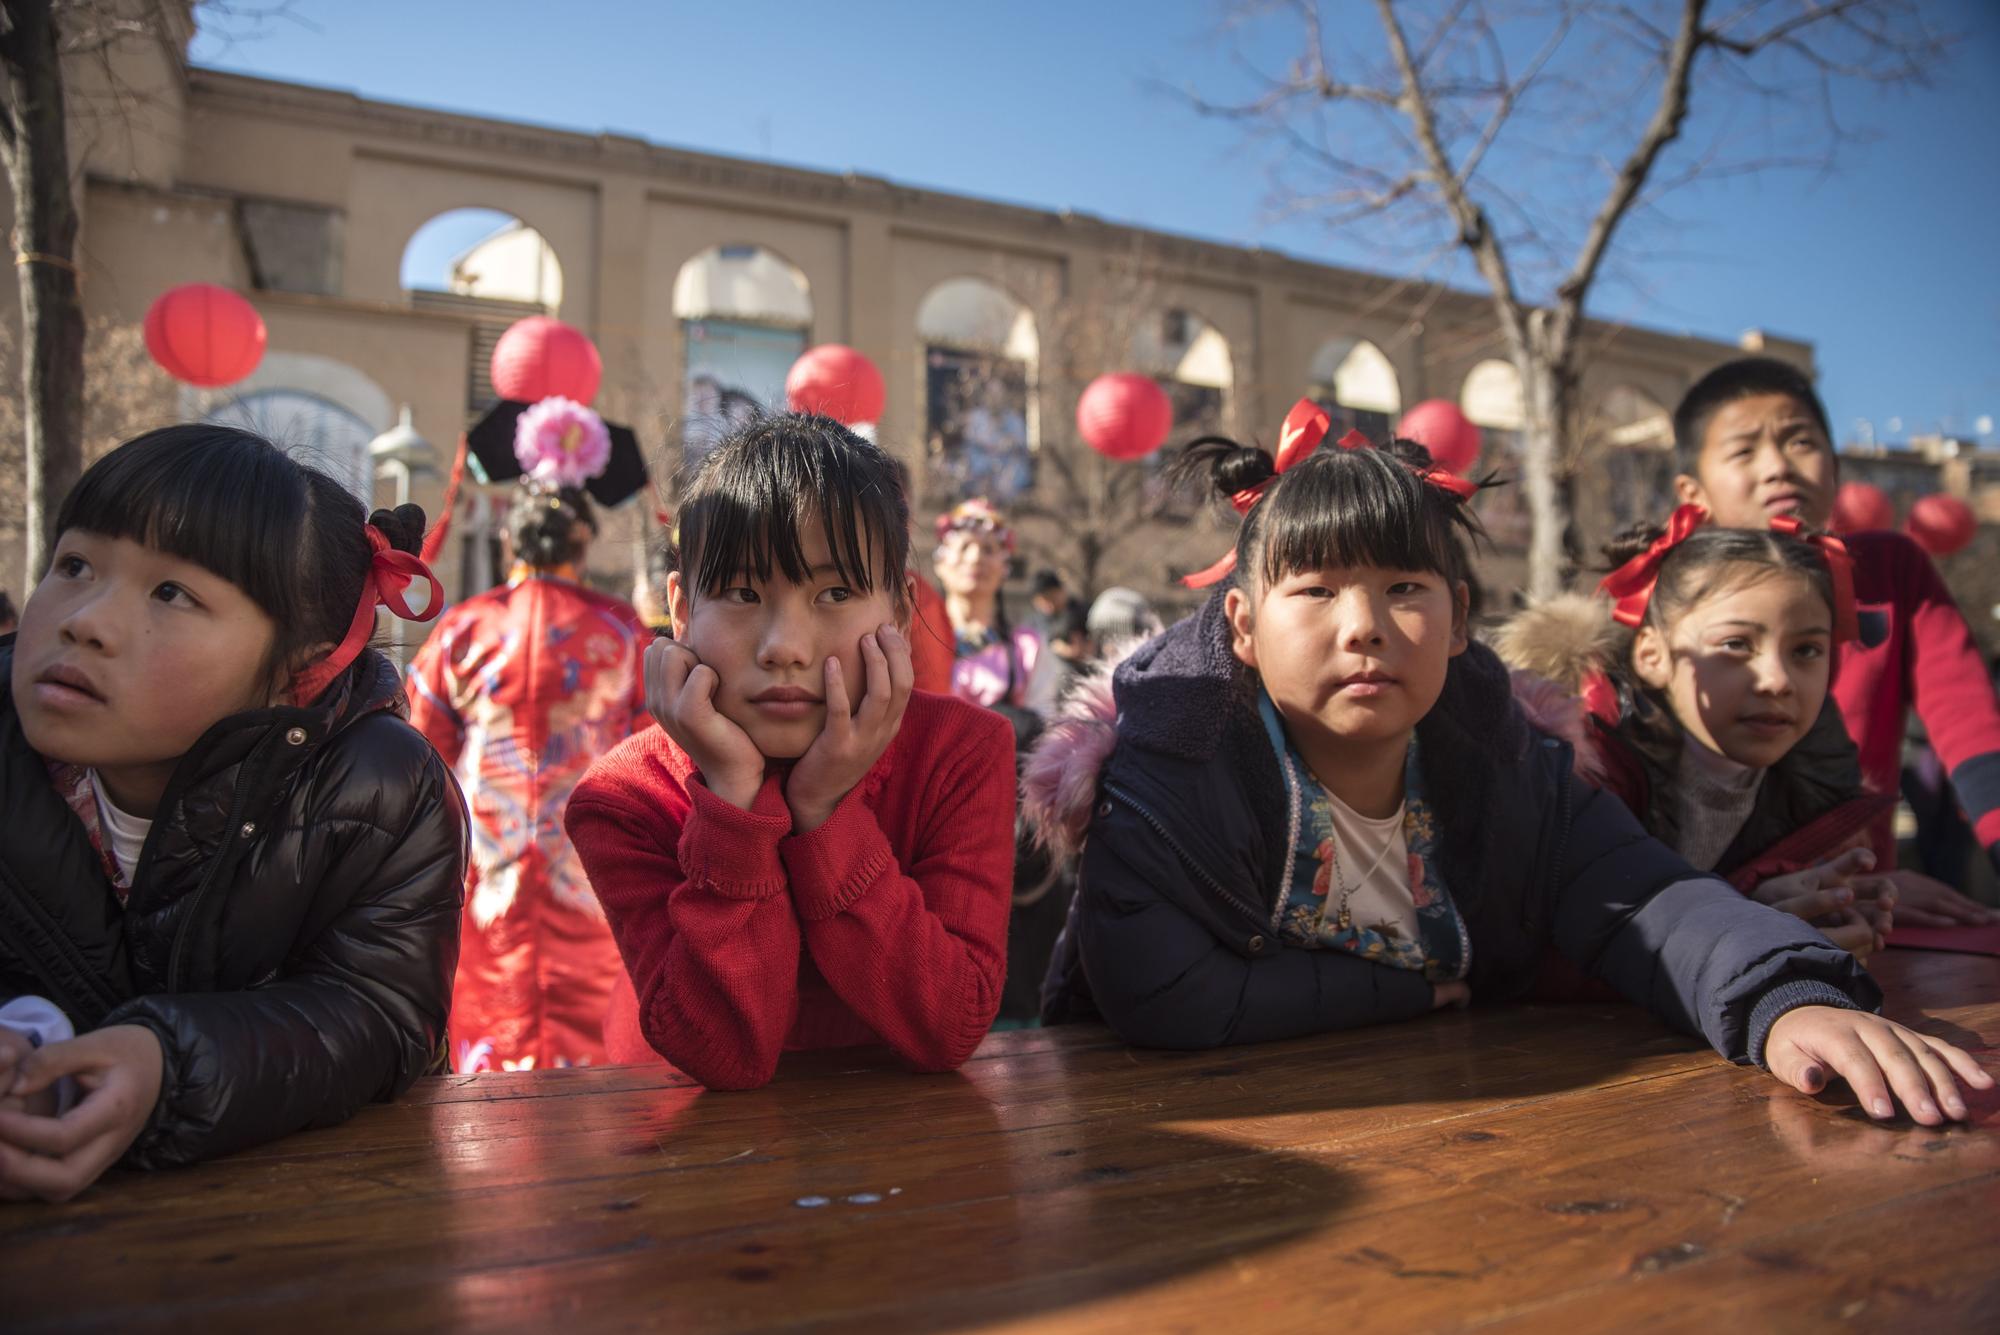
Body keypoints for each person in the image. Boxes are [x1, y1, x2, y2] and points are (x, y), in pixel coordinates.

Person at [1023, 400, 1990, 1125]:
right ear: (1240, 625)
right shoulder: (1163, 773)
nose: (1364, 628)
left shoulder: (1513, 765)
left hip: (1482, 1129)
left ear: (1457, 624)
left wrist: (1784, 999)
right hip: (1177, 1140)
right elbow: (1166, 998)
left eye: (1405, 587)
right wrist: (1414, 993)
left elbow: (1648, 900)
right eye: (1315, 589)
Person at [0, 423, 467, 1201]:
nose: (85, 619)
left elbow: (378, 1015)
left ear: (296, 669)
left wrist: (167, 1064)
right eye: (75, 564)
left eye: (171, 592)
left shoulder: (382, 788)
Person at [564, 413, 1016, 1090]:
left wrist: (824, 807)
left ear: (898, 611)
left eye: (835, 593)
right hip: (675, 1151)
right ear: (681, 610)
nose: (785, 646)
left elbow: (950, 1024)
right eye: (743, 592)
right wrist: (733, 802)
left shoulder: (961, 753)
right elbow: (720, 1049)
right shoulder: (625, 795)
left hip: (905, 1165)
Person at [1670, 357, 2000, 927]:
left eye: (1799, 440)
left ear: (1835, 465)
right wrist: (1757, 897)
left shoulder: (1890, 569)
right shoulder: (1661, 601)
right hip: (1712, 925)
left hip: (1870, 917)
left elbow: (1973, 730)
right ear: (1691, 492)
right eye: (1744, 450)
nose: (1778, 467)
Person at [1495, 512, 1895, 960]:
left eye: (1806, 650)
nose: (1777, 680)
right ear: (1652, 655)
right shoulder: (1579, 770)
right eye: (1736, 644)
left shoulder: (1816, 789)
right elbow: (1541, 946)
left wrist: (1828, 912)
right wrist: (1742, 920)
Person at [407, 482, 648, 1073]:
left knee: (494, 1015)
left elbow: (420, 759)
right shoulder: (620, 631)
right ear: (582, 542)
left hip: (493, 867)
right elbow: (652, 754)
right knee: (603, 1032)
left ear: (510, 538)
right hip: (593, 868)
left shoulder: (463, 629)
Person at [933, 499, 1055, 724]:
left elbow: (1046, 728)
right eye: (964, 546)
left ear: (1005, 568)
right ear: (941, 562)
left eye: (988, 549)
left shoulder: (1027, 649)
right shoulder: (915, 639)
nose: (975, 558)